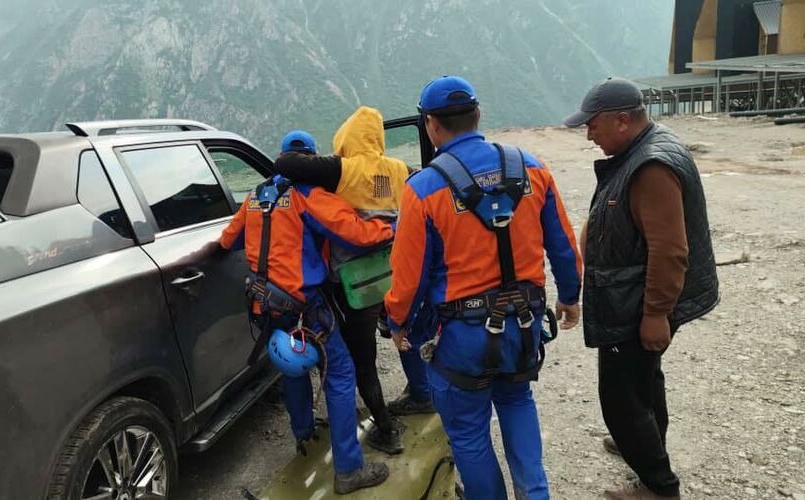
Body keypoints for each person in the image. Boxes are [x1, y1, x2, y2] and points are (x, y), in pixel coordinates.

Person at [385, 75, 582, 500]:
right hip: (523, 323)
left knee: (468, 431)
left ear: (431, 125)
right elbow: (563, 244)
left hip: (462, 336)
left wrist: (397, 322)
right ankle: (535, 494)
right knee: (516, 399)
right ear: (478, 115)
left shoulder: (422, 189)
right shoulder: (531, 167)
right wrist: (570, 296)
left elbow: (408, 276)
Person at [563, 78, 719, 500]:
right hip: (635, 295)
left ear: (621, 120)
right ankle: (643, 441)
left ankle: (657, 486)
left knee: (621, 397)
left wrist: (655, 314)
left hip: (638, 303)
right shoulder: (643, 148)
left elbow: (669, 249)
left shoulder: (650, 167)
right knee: (644, 381)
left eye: (592, 125)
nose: (589, 134)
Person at [220, 132, 395, 493]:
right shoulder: (308, 195)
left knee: (291, 364)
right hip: (304, 303)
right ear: (311, 161)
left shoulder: (256, 196)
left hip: (264, 302)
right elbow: (356, 233)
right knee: (340, 373)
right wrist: (390, 226)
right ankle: (349, 470)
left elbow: (228, 241)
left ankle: (303, 432)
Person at [271, 108, 411, 452]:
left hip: (350, 284)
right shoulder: (399, 169)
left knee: (357, 362)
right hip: (384, 276)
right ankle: (419, 396)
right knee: (383, 341)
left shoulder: (344, 170)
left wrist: (331, 162)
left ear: (346, 137)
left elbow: (285, 163)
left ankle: (386, 431)